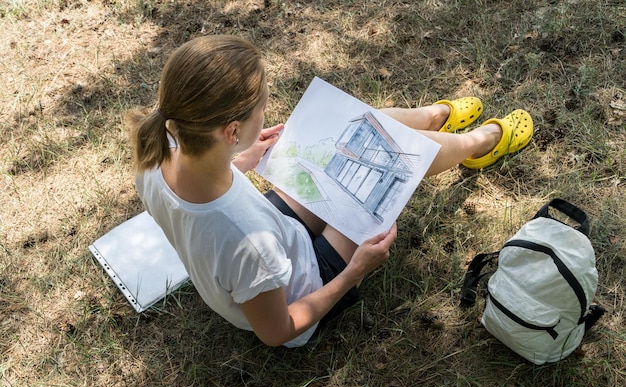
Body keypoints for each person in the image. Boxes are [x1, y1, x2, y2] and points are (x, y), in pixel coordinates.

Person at [127, 35, 533, 348]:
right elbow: (278, 330)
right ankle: (480, 143)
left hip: (272, 245)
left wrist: (241, 159)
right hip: (303, 286)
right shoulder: (250, 245)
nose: (267, 111)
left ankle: (437, 115)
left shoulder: (159, 150)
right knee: (400, 159)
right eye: (263, 106)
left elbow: (207, 214)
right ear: (230, 131)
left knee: (362, 127)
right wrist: (356, 270)